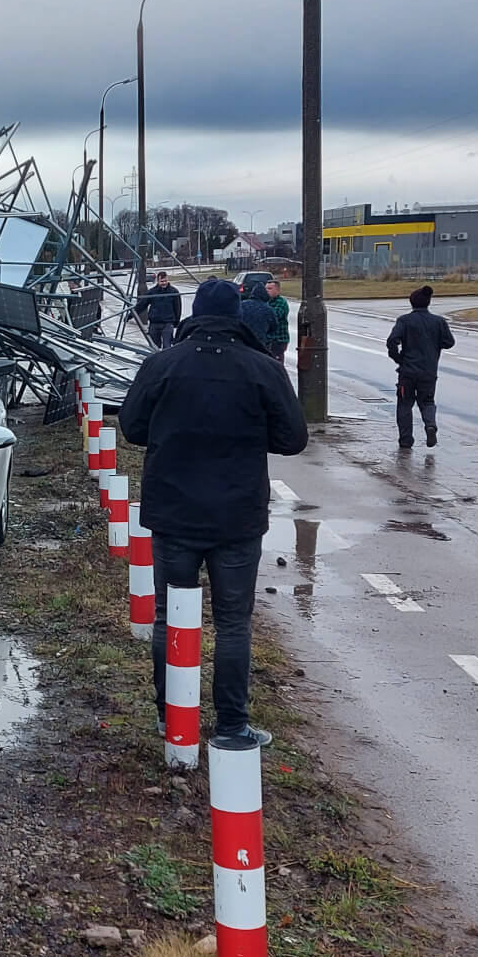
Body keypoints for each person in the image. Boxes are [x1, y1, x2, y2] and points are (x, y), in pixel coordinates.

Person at [119, 277, 309, 749]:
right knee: (233, 623)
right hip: (237, 518)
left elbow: (132, 428)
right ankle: (231, 726)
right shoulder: (263, 369)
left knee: (168, 617)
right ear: (238, 318)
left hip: (173, 513)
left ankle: (170, 716)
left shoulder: (162, 364)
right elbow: (293, 438)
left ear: (194, 315)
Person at [387, 284, 456, 449]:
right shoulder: (439, 322)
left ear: (411, 303)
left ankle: (405, 440)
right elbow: (449, 342)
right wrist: (434, 344)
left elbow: (392, 341)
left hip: (407, 372)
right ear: (428, 302)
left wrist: (398, 358)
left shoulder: (404, 320)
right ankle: (430, 425)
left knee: (405, 404)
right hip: (429, 372)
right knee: (427, 401)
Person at [133, 271, 182, 349]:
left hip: (168, 323)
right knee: (154, 346)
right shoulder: (152, 292)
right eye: (162, 281)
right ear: (158, 281)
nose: (164, 283)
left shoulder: (174, 291)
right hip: (154, 323)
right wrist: (131, 315)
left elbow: (178, 308)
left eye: (165, 281)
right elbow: (142, 305)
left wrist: (176, 322)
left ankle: (166, 357)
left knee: (167, 346)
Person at [237, 276, 276, 344]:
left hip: (243, 341)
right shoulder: (268, 309)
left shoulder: (242, 305)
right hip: (259, 342)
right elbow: (274, 327)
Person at [264, 279, 290, 362]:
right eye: (266, 288)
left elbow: (274, 316)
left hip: (279, 339)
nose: (267, 291)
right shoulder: (266, 302)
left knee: (276, 362)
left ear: (277, 290)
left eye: (270, 288)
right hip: (268, 339)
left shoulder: (281, 302)